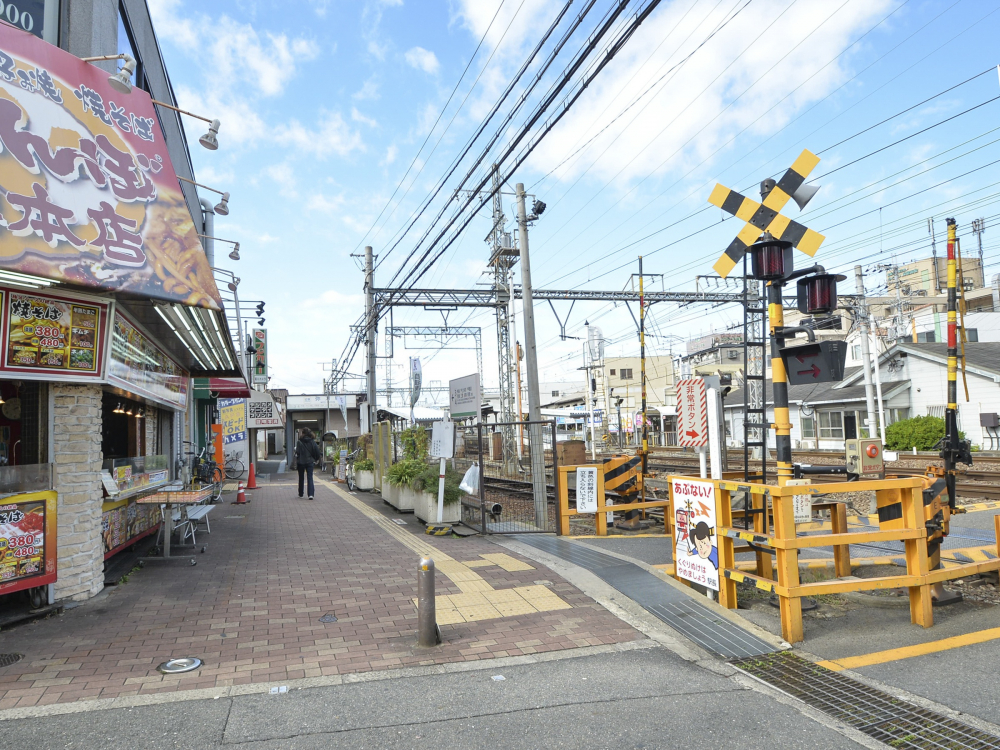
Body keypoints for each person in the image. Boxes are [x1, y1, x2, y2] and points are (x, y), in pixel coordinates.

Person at [294, 428, 321, 499]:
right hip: (310, 462)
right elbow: (317, 451)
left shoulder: (299, 442)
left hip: (301, 462)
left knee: (301, 478)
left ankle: (300, 493)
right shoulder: (312, 441)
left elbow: (297, 452)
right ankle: (310, 494)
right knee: (310, 477)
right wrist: (316, 459)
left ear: (303, 433)